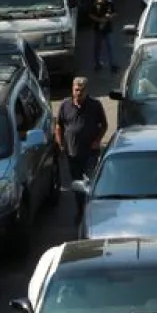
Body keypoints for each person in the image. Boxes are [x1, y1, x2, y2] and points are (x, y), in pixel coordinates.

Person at [55, 77, 108, 224]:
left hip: (90, 154)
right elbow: (59, 125)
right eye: (77, 89)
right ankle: (80, 212)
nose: (79, 92)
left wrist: (97, 141)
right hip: (72, 154)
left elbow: (103, 125)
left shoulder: (95, 105)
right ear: (72, 89)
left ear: (86, 91)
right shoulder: (65, 105)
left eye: (82, 90)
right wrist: (60, 144)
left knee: (89, 183)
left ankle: (90, 213)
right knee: (77, 185)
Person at [89, 0, 117, 74]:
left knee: (110, 47)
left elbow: (115, 13)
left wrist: (110, 17)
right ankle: (97, 63)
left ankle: (112, 64)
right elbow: (90, 15)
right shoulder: (95, 3)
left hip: (108, 28)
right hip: (98, 28)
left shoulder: (110, 3)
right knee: (97, 47)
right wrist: (100, 20)